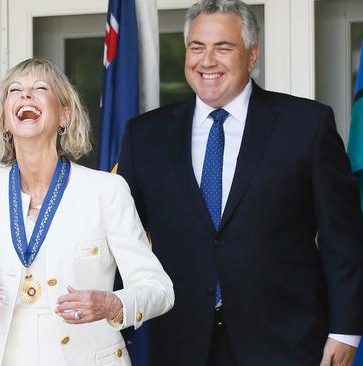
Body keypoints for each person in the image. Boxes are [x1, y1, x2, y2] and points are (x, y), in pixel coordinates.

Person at [118, 0, 363, 365]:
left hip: (286, 339)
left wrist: (345, 330)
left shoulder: (306, 126)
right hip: (178, 339)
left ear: (251, 55)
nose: (207, 60)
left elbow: (341, 237)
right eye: (197, 47)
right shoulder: (145, 135)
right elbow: (121, 237)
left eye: (223, 47)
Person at [0, 58, 174, 365]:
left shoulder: (106, 190)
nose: (25, 95)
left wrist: (113, 303)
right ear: (6, 120)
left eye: (39, 88)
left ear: (65, 115)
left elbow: (160, 289)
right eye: (15, 90)